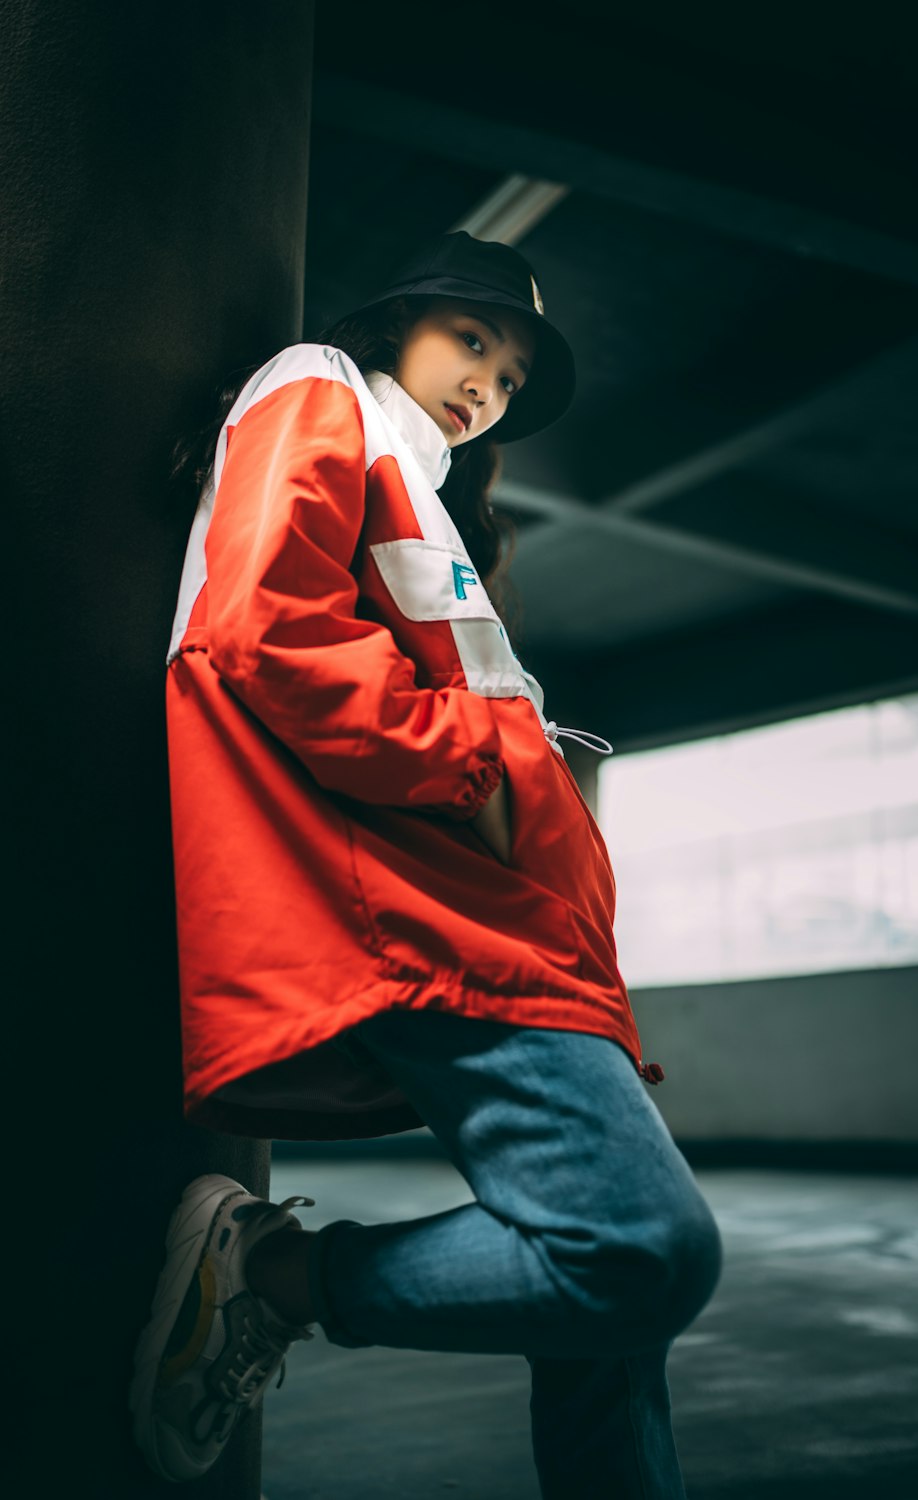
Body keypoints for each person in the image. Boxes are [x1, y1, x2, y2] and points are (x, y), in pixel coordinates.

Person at [130, 230, 724, 1497]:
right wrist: (482, 765)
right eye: (473, 342)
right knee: (639, 1256)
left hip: (521, 934)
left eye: (510, 377)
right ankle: (276, 1278)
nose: (488, 388)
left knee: (608, 1339)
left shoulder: (427, 494)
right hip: (438, 920)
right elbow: (263, 633)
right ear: (392, 320)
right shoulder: (321, 386)